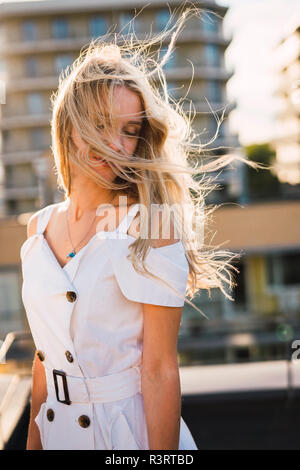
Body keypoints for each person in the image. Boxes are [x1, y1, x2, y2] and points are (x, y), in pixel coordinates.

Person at [21, 6, 264, 450]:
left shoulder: (152, 225)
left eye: (130, 130)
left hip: (127, 437)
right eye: (101, 126)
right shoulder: (37, 232)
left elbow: (159, 370)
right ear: (69, 127)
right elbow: (45, 358)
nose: (117, 145)